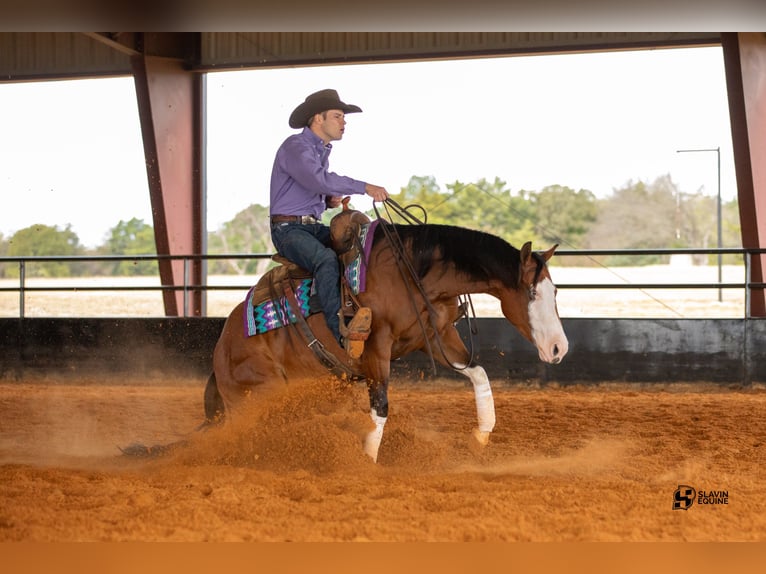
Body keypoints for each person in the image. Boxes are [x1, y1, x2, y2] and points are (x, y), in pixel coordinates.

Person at [269, 89, 389, 351]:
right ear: (317, 119)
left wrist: (327, 202)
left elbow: (310, 187)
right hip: (288, 230)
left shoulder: (320, 151)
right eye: (337, 116)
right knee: (324, 259)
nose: (343, 122)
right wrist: (364, 187)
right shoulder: (295, 146)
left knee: (361, 244)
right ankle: (340, 336)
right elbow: (317, 180)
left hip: (308, 226)